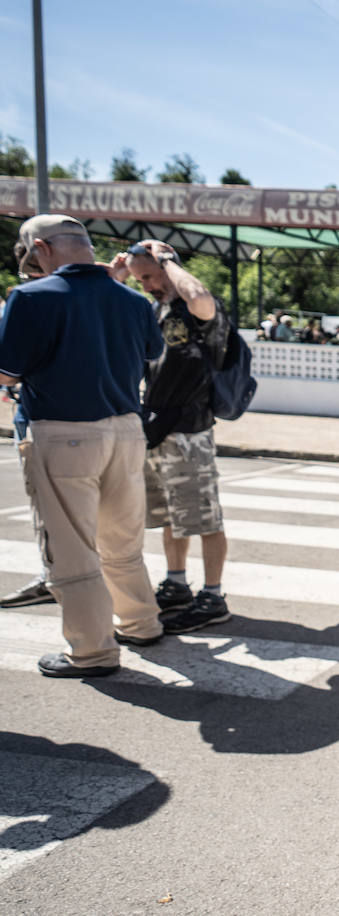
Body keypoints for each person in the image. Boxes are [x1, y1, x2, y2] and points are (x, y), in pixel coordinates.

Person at [0, 215, 165, 676]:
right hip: (126, 430)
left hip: (63, 430)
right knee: (122, 541)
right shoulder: (132, 300)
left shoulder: (29, 297)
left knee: (72, 550)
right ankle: (140, 622)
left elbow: (6, 371)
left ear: (40, 248)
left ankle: (92, 651)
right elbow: (151, 354)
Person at [114, 239, 233, 635]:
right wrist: (118, 276)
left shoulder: (196, 308)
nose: (145, 284)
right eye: (138, 279)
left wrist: (166, 260)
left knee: (204, 517)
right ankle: (177, 582)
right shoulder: (155, 307)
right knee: (169, 516)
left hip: (190, 430)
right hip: (156, 427)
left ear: (167, 266)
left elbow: (199, 296)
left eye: (148, 276)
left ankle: (213, 596)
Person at [1, 255, 57, 610]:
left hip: (42, 418)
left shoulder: (31, 301)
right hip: (80, 420)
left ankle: (54, 577)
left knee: (48, 509)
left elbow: (7, 370)